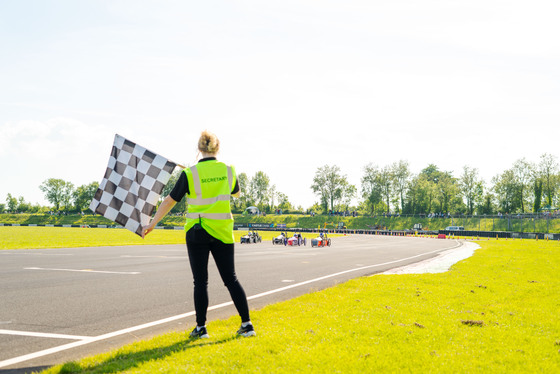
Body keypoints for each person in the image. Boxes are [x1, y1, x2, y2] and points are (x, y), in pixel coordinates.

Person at [142, 130, 255, 339]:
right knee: (230, 279)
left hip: (197, 231)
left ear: (199, 149)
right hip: (222, 231)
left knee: (200, 281)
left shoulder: (189, 173)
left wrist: (153, 223)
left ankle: (201, 328)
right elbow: (236, 193)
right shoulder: (229, 170)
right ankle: (247, 325)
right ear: (217, 148)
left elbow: (169, 201)